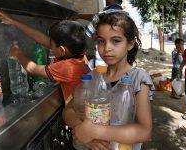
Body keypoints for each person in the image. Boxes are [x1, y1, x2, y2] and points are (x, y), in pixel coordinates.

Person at [63, 12, 155, 150]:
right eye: (101, 41)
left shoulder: (138, 79)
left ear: (130, 44)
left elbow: (144, 131)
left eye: (116, 41)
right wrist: (83, 133)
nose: (107, 48)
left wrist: (94, 131)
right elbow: (68, 111)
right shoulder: (93, 77)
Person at [0, 10, 90, 103]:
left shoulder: (68, 67)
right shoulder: (79, 55)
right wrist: (13, 21)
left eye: (51, 45)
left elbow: (32, 69)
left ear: (61, 50)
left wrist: (18, 54)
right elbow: (40, 37)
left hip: (77, 112)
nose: (50, 47)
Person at [68, 0, 125, 67]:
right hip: (120, 66)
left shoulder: (100, 16)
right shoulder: (128, 18)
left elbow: (85, 36)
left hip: (102, 65)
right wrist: (79, 16)